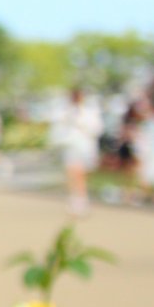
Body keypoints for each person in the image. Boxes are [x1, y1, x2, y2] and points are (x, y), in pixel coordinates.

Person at [60, 88, 103, 216]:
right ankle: (75, 199)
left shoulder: (89, 113)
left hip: (84, 148)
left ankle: (81, 200)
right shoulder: (67, 112)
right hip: (71, 147)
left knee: (80, 174)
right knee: (72, 173)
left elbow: (96, 129)